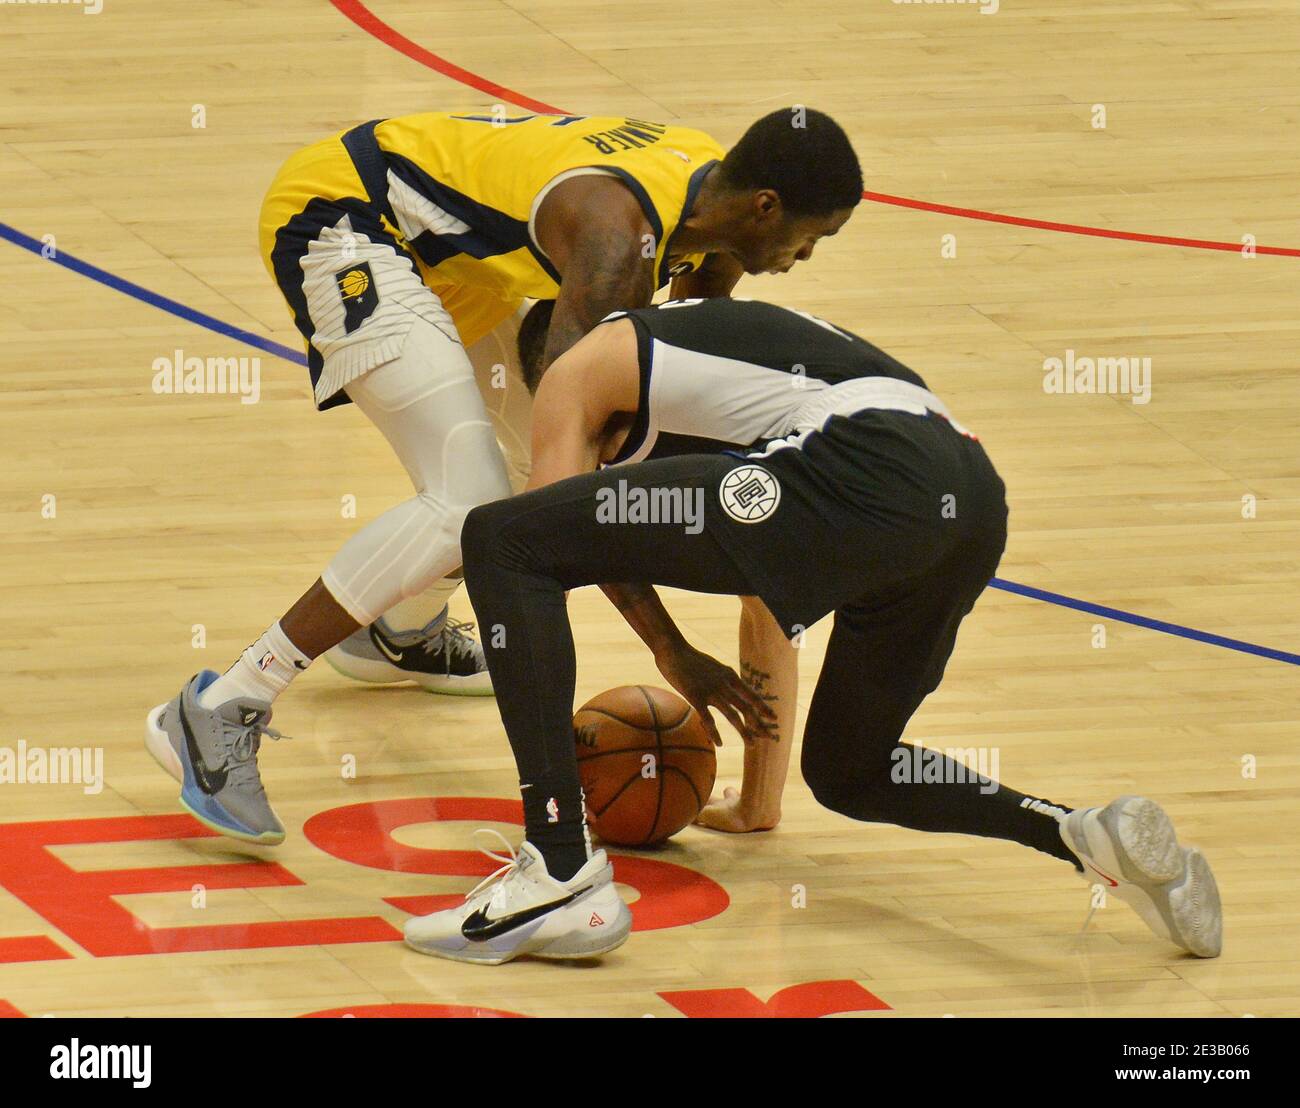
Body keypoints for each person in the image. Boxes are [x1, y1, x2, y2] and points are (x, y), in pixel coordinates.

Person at [402, 296, 1223, 965]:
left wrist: (667, 648)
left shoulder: (579, 365)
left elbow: (546, 532)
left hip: (868, 465)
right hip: (964, 498)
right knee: (850, 768)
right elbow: (769, 587)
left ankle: (557, 867)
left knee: (500, 539)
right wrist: (759, 801)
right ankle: (1082, 833)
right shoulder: (719, 371)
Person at [144, 108, 865, 844]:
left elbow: (667, 380)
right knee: (480, 500)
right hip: (345, 216)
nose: (805, 257)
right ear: (764, 207)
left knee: (524, 465)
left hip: (454, 257)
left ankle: (405, 632)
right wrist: (669, 647)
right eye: (814, 237)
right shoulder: (616, 238)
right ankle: (227, 703)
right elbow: (566, 498)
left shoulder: (716, 210)